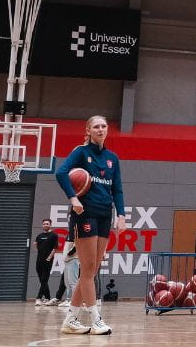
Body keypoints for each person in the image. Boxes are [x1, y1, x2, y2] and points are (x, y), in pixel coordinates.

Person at [55, 115, 127, 336]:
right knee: (88, 269)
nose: (101, 129)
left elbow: (117, 189)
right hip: (85, 215)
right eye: (96, 126)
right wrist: (73, 198)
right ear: (87, 130)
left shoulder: (112, 158)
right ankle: (96, 319)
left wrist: (121, 214)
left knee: (92, 270)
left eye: (104, 126)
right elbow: (61, 173)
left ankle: (70, 319)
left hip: (105, 215)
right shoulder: (80, 152)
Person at [34, 219, 60, 306]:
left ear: (50, 225)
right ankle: (48, 297)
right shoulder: (39, 235)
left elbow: (55, 248)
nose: (45, 225)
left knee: (44, 279)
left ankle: (38, 298)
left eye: (47, 224)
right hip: (39, 260)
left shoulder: (53, 235)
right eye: (44, 224)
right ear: (42, 225)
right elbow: (36, 245)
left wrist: (49, 257)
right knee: (42, 280)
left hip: (48, 260)